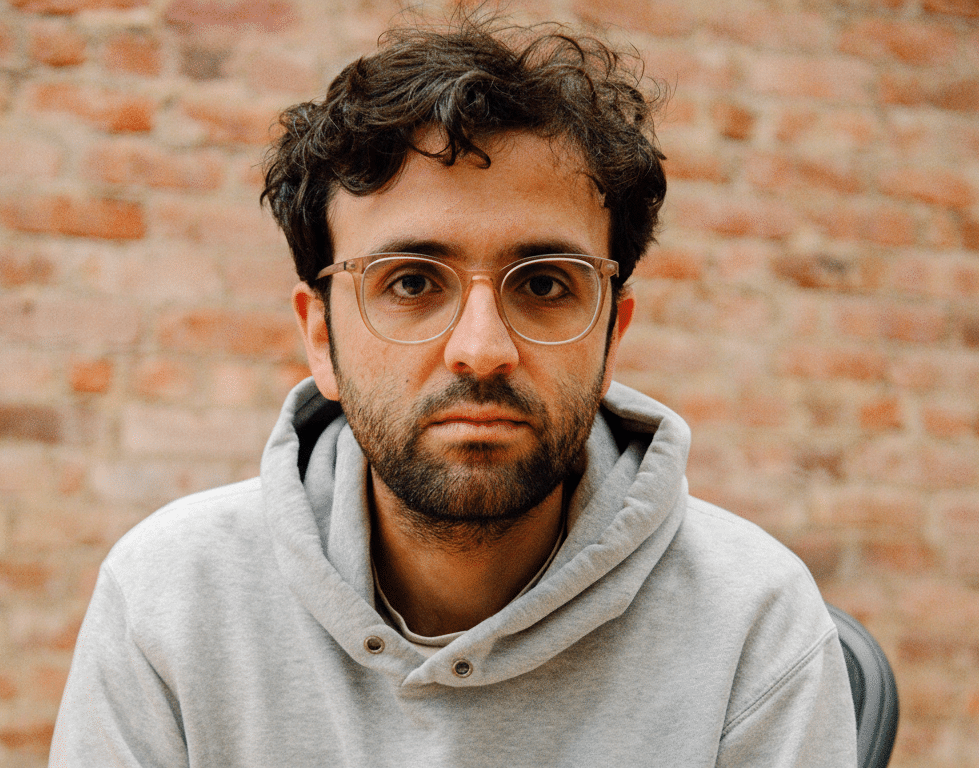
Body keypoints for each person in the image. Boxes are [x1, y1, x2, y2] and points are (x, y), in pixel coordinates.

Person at [49, 18, 858, 767]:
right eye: (409, 282)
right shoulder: (169, 600)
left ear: (612, 335)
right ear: (320, 337)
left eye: (543, 284)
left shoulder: (756, 622)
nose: (481, 350)